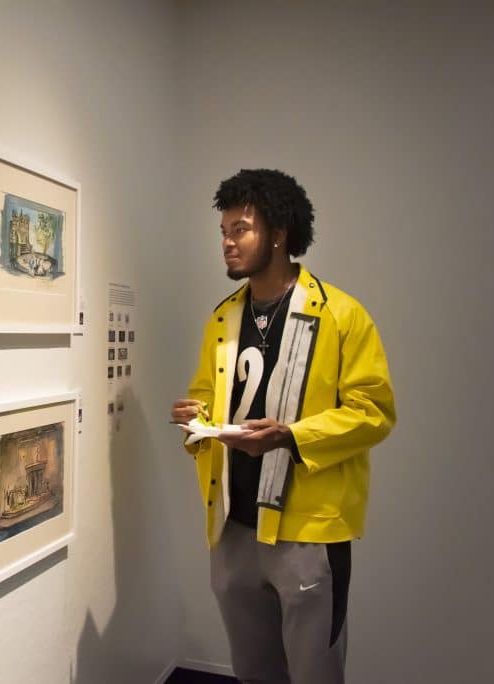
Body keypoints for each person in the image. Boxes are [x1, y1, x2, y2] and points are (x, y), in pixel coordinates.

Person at [170, 169, 395, 684]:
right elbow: (208, 394)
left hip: (308, 536)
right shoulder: (222, 318)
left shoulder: (343, 315)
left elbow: (374, 411)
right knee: (252, 671)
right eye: (223, 232)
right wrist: (195, 420)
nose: (227, 242)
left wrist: (291, 437)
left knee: (316, 673)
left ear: (279, 233)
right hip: (232, 529)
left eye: (241, 229)